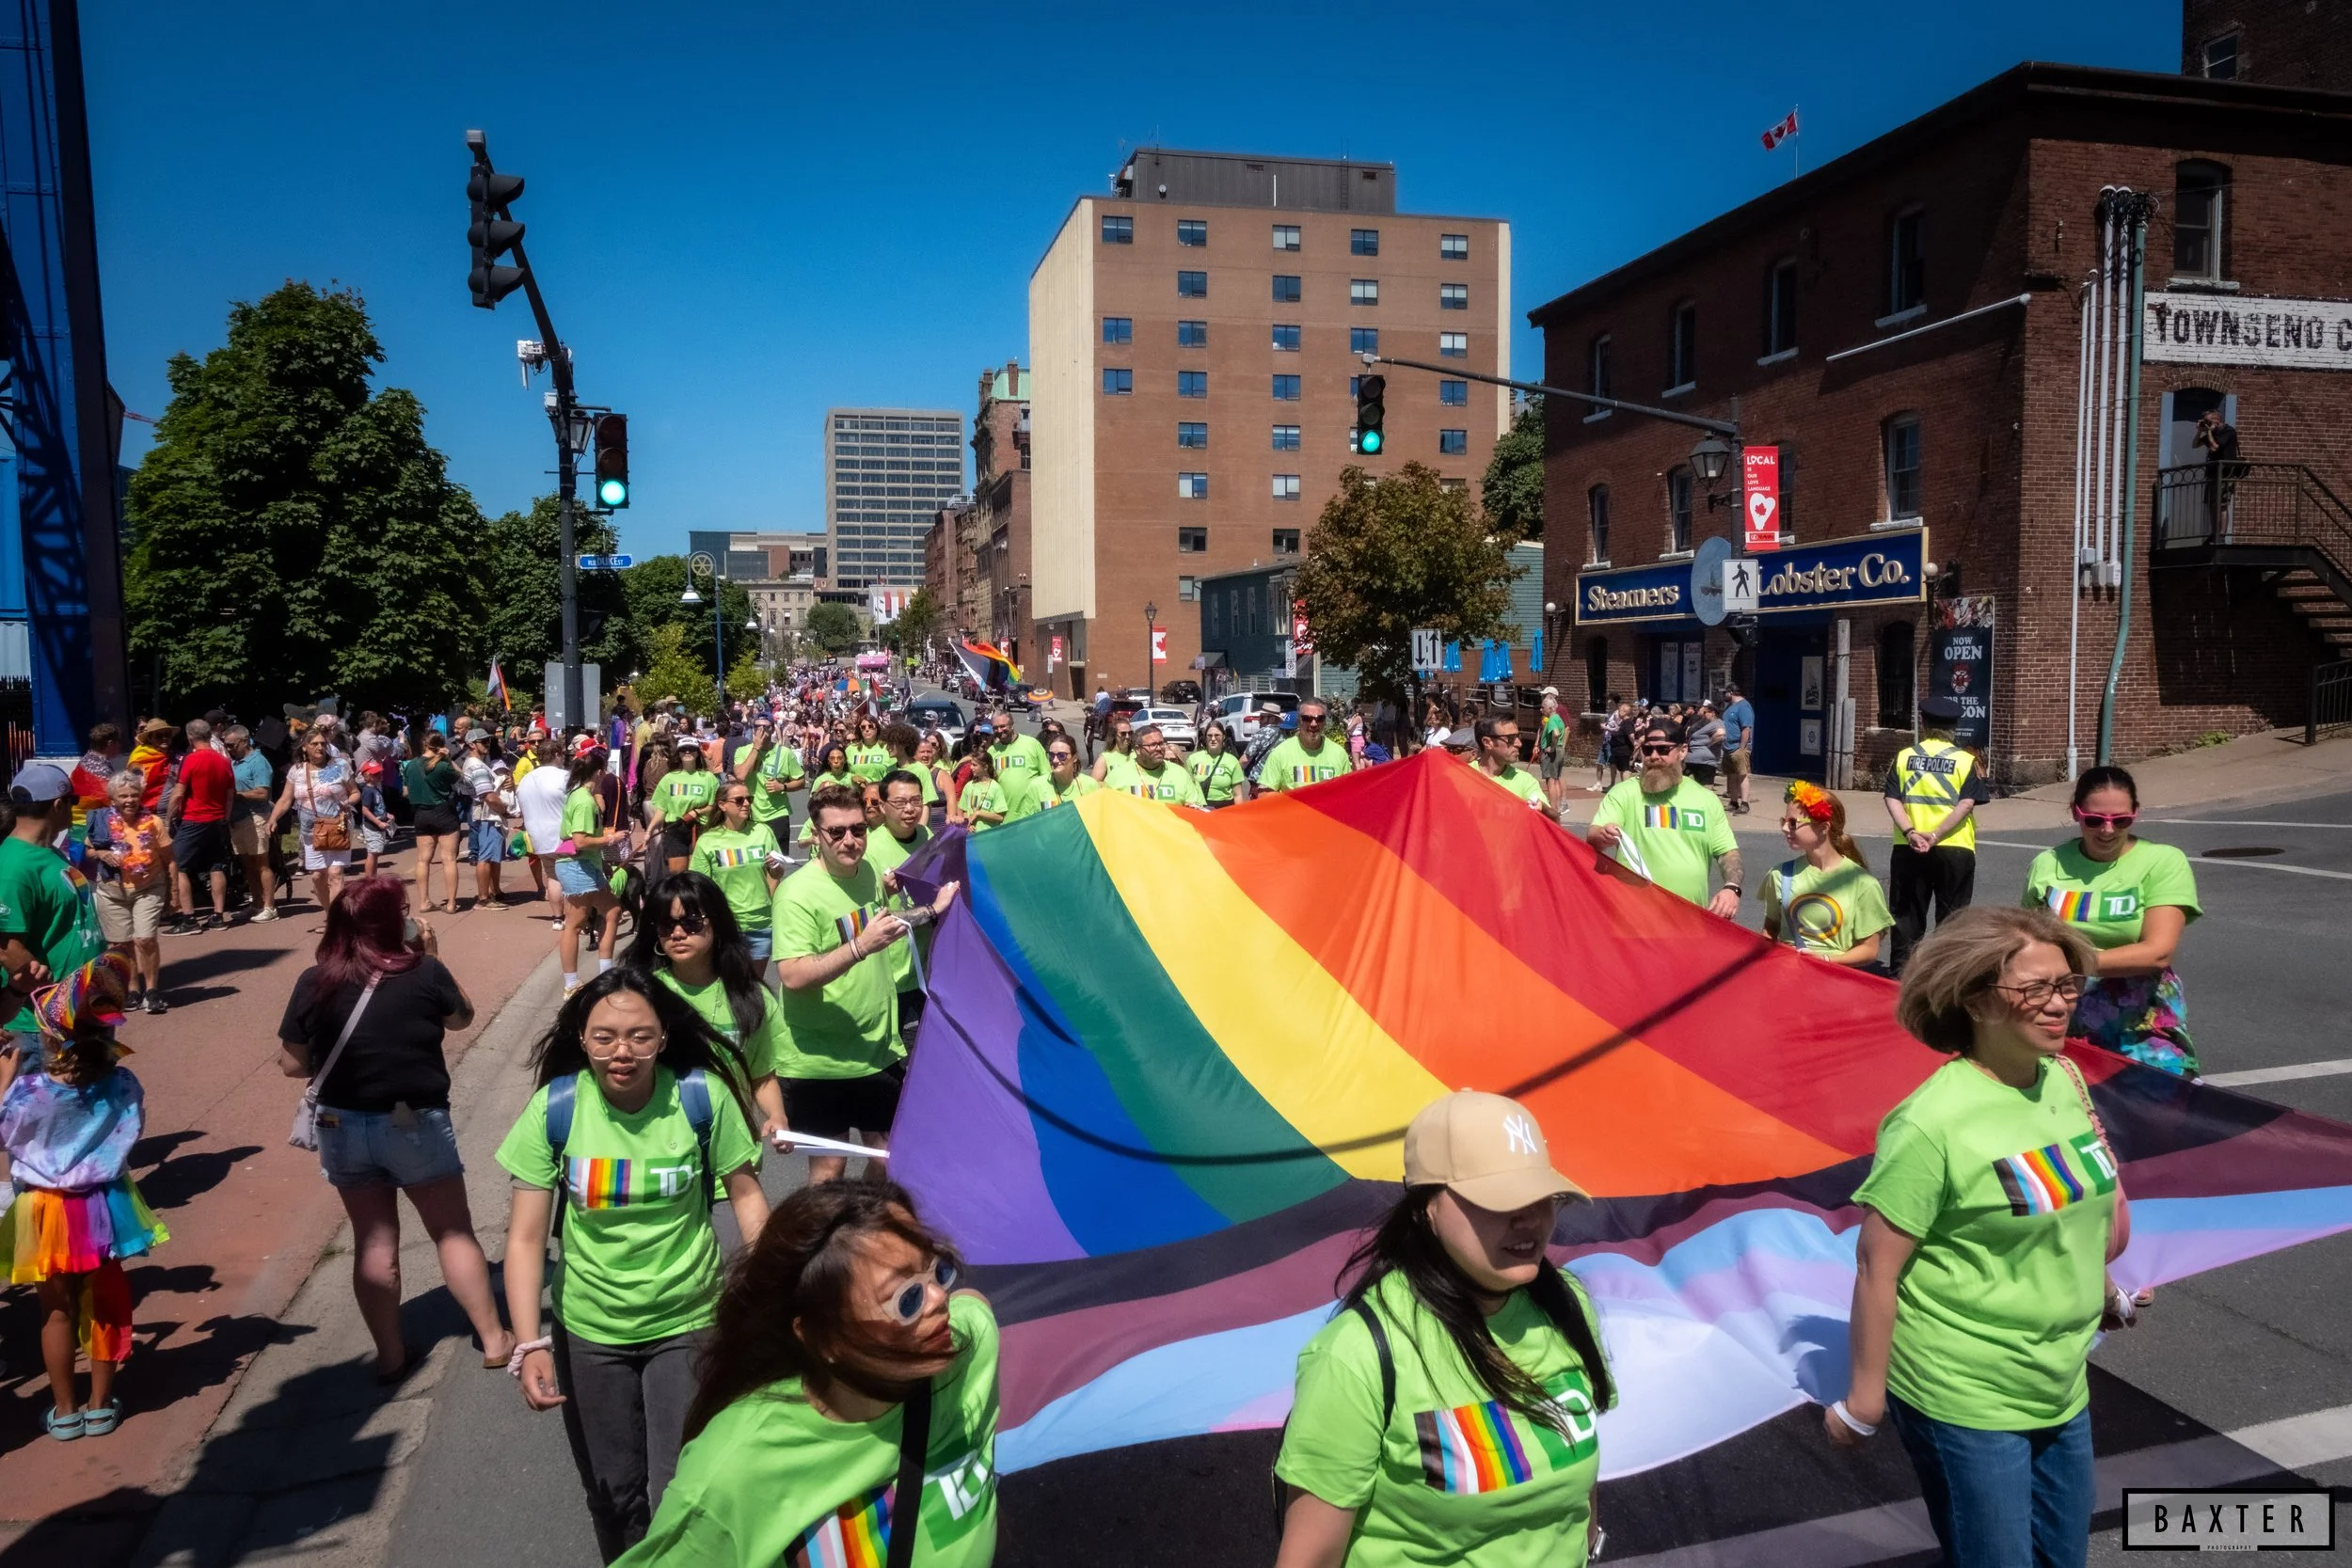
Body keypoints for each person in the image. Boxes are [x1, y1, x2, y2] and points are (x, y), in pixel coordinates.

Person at [1827, 906, 2137, 1568]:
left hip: (2060, 1379)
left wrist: (2105, 1293)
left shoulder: (2064, 1078)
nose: (2059, 1005)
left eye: (2068, 984)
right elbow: (1876, 1266)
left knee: (2063, 1558)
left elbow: (2067, 1214)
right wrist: (1864, 1398)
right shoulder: (1930, 1122)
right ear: (1974, 999)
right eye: (2035, 989)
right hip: (1963, 1391)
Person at [1274, 1090, 1614, 1568]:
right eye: (1499, 1199)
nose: (1530, 1218)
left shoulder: (1567, 1306)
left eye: (1542, 1196)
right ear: (1425, 1209)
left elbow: (1577, 1493)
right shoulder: (1356, 1356)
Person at [498, 970, 770, 1562]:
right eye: (605, 1037)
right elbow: (523, 1240)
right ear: (583, 1038)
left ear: (664, 1037)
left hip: (689, 1320)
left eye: (640, 1036)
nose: (623, 1052)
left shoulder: (701, 1099)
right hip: (590, 1332)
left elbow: (746, 1197)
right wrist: (528, 1343)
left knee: (684, 1491)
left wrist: (776, 1299)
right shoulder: (557, 1109)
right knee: (613, 1496)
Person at [622, 1180, 998, 1567]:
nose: (939, 1300)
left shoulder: (970, 1347)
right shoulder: (734, 1473)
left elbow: (974, 1305)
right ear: (824, 1337)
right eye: (907, 1300)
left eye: (938, 1270)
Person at [277, 876, 514, 1386]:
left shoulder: (314, 980)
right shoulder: (425, 972)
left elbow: (292, 1065)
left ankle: (390, 1356)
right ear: (394, 922)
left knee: (374, 1240)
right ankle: (494, 1339)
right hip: (414, 1121)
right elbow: (462, 1019)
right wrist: (429, 951)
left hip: (342, 1124)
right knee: (450, 1230)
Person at [1, 955, 167, 1441]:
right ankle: (100, 1406)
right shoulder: (123, 1083)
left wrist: (7, 1074)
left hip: (42, 1208)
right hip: (102, 1205)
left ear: (49, 1038)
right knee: (105, 1307)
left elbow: (7, 1133)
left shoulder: (29, 1091)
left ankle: (65, 1411)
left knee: (54, 1311)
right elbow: (132, 1130)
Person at [772, 784, 957, 1185]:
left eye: (857, 829)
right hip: (819, 1062)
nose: (849, 840)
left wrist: (932, 909)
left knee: (890, 1158)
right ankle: (825, 1243)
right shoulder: (797, 894)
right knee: (829, 1170)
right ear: (817, 836)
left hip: (877, 1050)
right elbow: (793, 975)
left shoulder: (870, 872)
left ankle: (864, 1228)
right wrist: (858, 947)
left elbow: (885, 927)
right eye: (836, 832)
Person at [2022, 766, 2202, 1077]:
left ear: (2136, 813)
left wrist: (2070, 965)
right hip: (2063, 1016)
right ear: (2075, 813)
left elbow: (2158, 952)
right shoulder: (2047, 864)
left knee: (2155, 1114)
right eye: (2094, 820)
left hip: (2142, 1019)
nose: (2107, 830)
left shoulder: (2162, 861)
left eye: (2120, 820)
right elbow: (2028, 941)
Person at [626, 871, 787, 1139]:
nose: (678, 933)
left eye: (691, 923)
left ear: (717, 923)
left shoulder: (751, 995)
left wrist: (777, 1116)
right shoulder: (641, 995)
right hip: (664, 1153)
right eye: (666, 924)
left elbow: (762, 1075)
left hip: (734, 1152)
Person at [1586, 720, 1740, 916]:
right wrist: (1603, 835)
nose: (1654, 756)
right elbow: (1593, 837)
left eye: (1663, 750)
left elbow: (1728, 852)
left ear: (1683, 751)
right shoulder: (1624, 793)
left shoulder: (1706, 800)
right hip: (1632, 920)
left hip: (1690, 921)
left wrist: (1732, 888)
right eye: (1647, 750)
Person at [1883, 695, 1989, 975]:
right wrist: (1936, 835)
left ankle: (1901, 980)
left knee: (1907, 917)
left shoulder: (1904, 757)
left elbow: (1892, 798)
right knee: (1953, 918)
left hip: (1908, 848)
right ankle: (1945, 977)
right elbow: (1966, 804)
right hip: (1954, 848)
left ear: (1924, 722)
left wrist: (1911, 832)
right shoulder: (1966, 761)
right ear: (1954, 726)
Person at [0, 764, 107, 1037]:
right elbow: (7, 948)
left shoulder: (48, 853)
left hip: (83, 1010)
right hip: (48, 1026)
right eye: (74, 801)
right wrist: (52, 996)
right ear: (59, 805)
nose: (75, 807)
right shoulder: (14, 867)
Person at [1763, 782, 1893, 968]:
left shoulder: (1863, 883)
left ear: (1824, 828)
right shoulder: (1779, 874)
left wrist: (1826, 960)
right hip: (1787, 978)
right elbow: (1770, 930)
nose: (1785, 829)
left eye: (1793, 823)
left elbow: (1869, 950)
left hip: (1835, 982)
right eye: (1783, 822)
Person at [85, 770, 172, 1013]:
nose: (130, 800)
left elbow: (170, 859)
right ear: (113, 799)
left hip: (148, 887)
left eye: (134, 795)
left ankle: (152, 990)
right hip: (112, 891)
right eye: (123, 796)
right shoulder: (102, 822)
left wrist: (174, 893)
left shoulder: (153, 823)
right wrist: (102, 854)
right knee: (120, 944)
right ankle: (133, 990)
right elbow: (89, 851)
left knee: (144, 938)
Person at [864, 770, 935, 1045]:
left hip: (927, 962)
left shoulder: (926, 835)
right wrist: (882, 890)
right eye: (900, 802)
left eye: (916, 801)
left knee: (928, 1042)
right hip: (891, 969)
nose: (910, 809)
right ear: (882, 806)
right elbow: (862, 908)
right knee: (891, 1045)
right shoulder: (869, 848)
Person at [690, 781, 786, 964]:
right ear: (722, 805)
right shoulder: (708, 840)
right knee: (729, 986)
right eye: (739, 800)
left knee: (754, 987)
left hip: (762, 923)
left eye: (749, 799)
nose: (747, 804)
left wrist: (775, 867)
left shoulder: (763, 832)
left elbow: (777, 874)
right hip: (726, 925)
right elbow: (698, 886)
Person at [558, 752, 629, 994]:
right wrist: (612, 838)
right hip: (578, 867)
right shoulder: (584, 801)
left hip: (586, 865)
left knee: (612, 911)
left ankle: (605, 974)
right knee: (575, 924)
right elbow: (579, 840)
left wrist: (603, 863)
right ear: (598, 773)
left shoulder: (579, 796)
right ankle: (572, 983)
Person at [268, 728, 357, 912]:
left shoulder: (340, 766)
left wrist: (348, 802)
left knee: (335, 874)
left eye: (323, 743)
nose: (319, 747)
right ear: (304, 748)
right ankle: (329, 912)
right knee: (317, 877)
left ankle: (335, 922)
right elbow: (285, 799)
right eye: (314, 744)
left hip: (337, 826)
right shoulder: (297, 771)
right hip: (311, 831)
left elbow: (355, 792)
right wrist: (273, 818)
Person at [165, 717, 235, 931]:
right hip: (217, 820)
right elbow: (230, 793)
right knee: (215, 865)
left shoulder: (190, 760)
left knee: (180, 867)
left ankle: (189, 919)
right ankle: (218, 915)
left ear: (190, 737)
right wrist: (226, 815)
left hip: (194, 819)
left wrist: (168, 819)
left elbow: (178, 792)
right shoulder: (223, 760)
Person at [397, 731, 461, 914]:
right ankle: (450, 903)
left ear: (423, 743)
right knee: (448, 859)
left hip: (420, 814)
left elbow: (407, 791)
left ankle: (424, 901)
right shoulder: (442, 766)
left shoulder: (410, 765)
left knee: (423, 859)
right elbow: (460, 777)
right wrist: (448, 759)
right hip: (443, 812)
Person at [515, 736, 571, 929]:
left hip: (539, 837)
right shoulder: (564, 776)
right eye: (562, 754)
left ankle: (557, 918)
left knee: (553, 876)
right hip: (564, 836)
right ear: (556, 755)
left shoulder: (526, 781)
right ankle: (576, 919)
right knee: (572, 877)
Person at [225, 724, 279, 922]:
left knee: (261, 863)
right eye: (226, 746)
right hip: (237, 819)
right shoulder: (234, 762)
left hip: (255, 817)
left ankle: (269, 907)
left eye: (231, 745)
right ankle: (256, 904)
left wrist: (236, 795)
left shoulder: (258, 761)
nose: (228, 749)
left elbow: (263, 792)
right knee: (247, 865)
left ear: (244, 741)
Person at [1252, 700, 1353, 800]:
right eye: (1307, 718)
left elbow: (1349, 792)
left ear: (1325, 722)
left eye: (1319, 719)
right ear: (1299, 721)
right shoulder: (1281, 752)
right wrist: (1299, 804)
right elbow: (1264, 794)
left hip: (1326, 815)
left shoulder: (1339, 754)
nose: (1313, 724)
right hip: (1295, 814)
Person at [648, 737, 719, 877]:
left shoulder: (708, 778)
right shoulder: (669, 779)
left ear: (698, 753)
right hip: (675, 828)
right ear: (679, 754)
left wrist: (698, 812)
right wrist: (649, 831)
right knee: (677, 874)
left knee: (696, 874)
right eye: (683, 750)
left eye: (691, 749)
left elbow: (716, 805)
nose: (687, 752)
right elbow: (661, 809)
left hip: (699, 828)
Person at [463, 733, 513, 909]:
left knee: (493, 855)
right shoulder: (477, 767)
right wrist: (506, 810)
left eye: (488, 741)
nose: (487, 744)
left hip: (487, 814)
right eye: (482, 741)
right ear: (471, 745)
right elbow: (488, 796)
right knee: (485, 856)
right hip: (487, 815)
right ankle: (483, 898)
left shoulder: (477, 764)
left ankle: (495, 892)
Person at [739, 719, 805, 850]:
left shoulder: (785, 753)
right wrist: (756, 748)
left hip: (777, 814)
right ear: (753, 730)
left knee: (778, 861)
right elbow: (740, 776)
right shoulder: (743, 751)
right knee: (755, 860)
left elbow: (801, 781)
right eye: (757, 727)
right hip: (751, 814)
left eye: (766, 727)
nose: (761, 730)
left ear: (773, 729)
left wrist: (783, 786)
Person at [1120, 723, 1205, 806]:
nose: (1158, 748)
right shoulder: (1118, 776)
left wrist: (1192, 808)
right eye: (1153, 745)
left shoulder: (1181, 774)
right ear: (1138, 749)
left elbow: (1196, 809)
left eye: (1161, 744)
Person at [1471, 716, 1546, 809]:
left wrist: (1543, 808)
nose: (1519, 744)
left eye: (1518, 736)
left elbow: (1554, 819)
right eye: (1510, 738)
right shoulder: (1463, 775)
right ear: (1487, 742)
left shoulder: (1525, 781)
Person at [2193, 404, 2241, 538]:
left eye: (2207, 421)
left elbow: (2215, 447)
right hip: (2213, 473)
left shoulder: (2228, 431)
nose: (2206, 423)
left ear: (2216, 419)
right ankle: (2213, 532)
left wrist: (2208, 432)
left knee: (2222, 504)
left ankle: (2222, 534)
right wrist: (2199, 431)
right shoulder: (2212, 432)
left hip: (2225, 473)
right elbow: (2195, 444)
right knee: (2212, 504)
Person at [1189, 721, 1245, 809]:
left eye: (1217, 735)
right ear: (1205, 737)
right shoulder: (1193, 759)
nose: (1213, 739)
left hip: (1224, 810)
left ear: (1223, 737)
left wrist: (1240, 815)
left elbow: (1238, 795)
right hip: (1200, 809)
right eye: (1209, 735)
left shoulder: (1232, 761)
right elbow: (1187, 788)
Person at [1718, 686, 1755, 814]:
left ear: (1731, 692)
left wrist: (1742, 748)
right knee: (1732, 776)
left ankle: (1744, 803)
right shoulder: (1729, 707)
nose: (1723, 696)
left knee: (1742, 775)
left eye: (1725, 693)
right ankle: (1733, 802)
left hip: (1738, 747)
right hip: (1728, 747)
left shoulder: (1744, 707)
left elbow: (1746, 729)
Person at [955, 747, 1009, 831]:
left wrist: (978, 813)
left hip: (988, 836)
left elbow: (1000, 817)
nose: (971, 767)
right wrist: (968, 823)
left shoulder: (995, 787)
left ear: (985, 767)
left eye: (975, 765)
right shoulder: (969, 786)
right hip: (971, 836)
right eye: (971, 764)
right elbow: (963, 810)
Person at [1536, 689, 1568, 811]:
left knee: (1551, 781)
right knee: (1555, 779)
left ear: (1550, 709)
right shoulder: (1558, 718)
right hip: (1559, 750)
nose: (1541, 710)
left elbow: (1555, 733)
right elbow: (1563, 730)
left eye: (1543, 707)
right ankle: (1557, 807)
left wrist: (1552, 747)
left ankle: (1554, 809)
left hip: (1552, 752)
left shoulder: (1552, 720)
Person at [1683, 701, 1725, 789]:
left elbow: (1721, 733)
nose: (1703, 713)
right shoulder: (1708, 723)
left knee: (1705, 789)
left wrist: (1709, 743)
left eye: (1705, 712)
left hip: (1705, 763)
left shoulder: (1717, 723)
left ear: (1712, 713)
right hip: (1696, 761)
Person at [1090, 713, 1137, 787]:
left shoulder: (1137, 755)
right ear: (1114, 735)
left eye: (1130, 733)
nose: (1128, 737)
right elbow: (1093, 784)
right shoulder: (1105, 758)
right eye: (1123, 734)